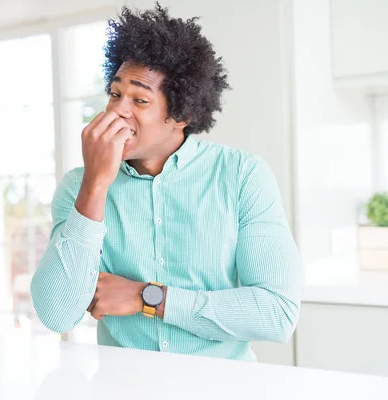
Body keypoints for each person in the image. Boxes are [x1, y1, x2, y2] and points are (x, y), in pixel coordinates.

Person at [31, 3, 302, 361]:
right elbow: (57, 313)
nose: (117, 111)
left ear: (182, 113)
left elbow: (276, 314)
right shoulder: (79, 188)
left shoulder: (242, 176)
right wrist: (96, 185)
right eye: (115, 94)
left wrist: (149, 297)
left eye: (139, 99)